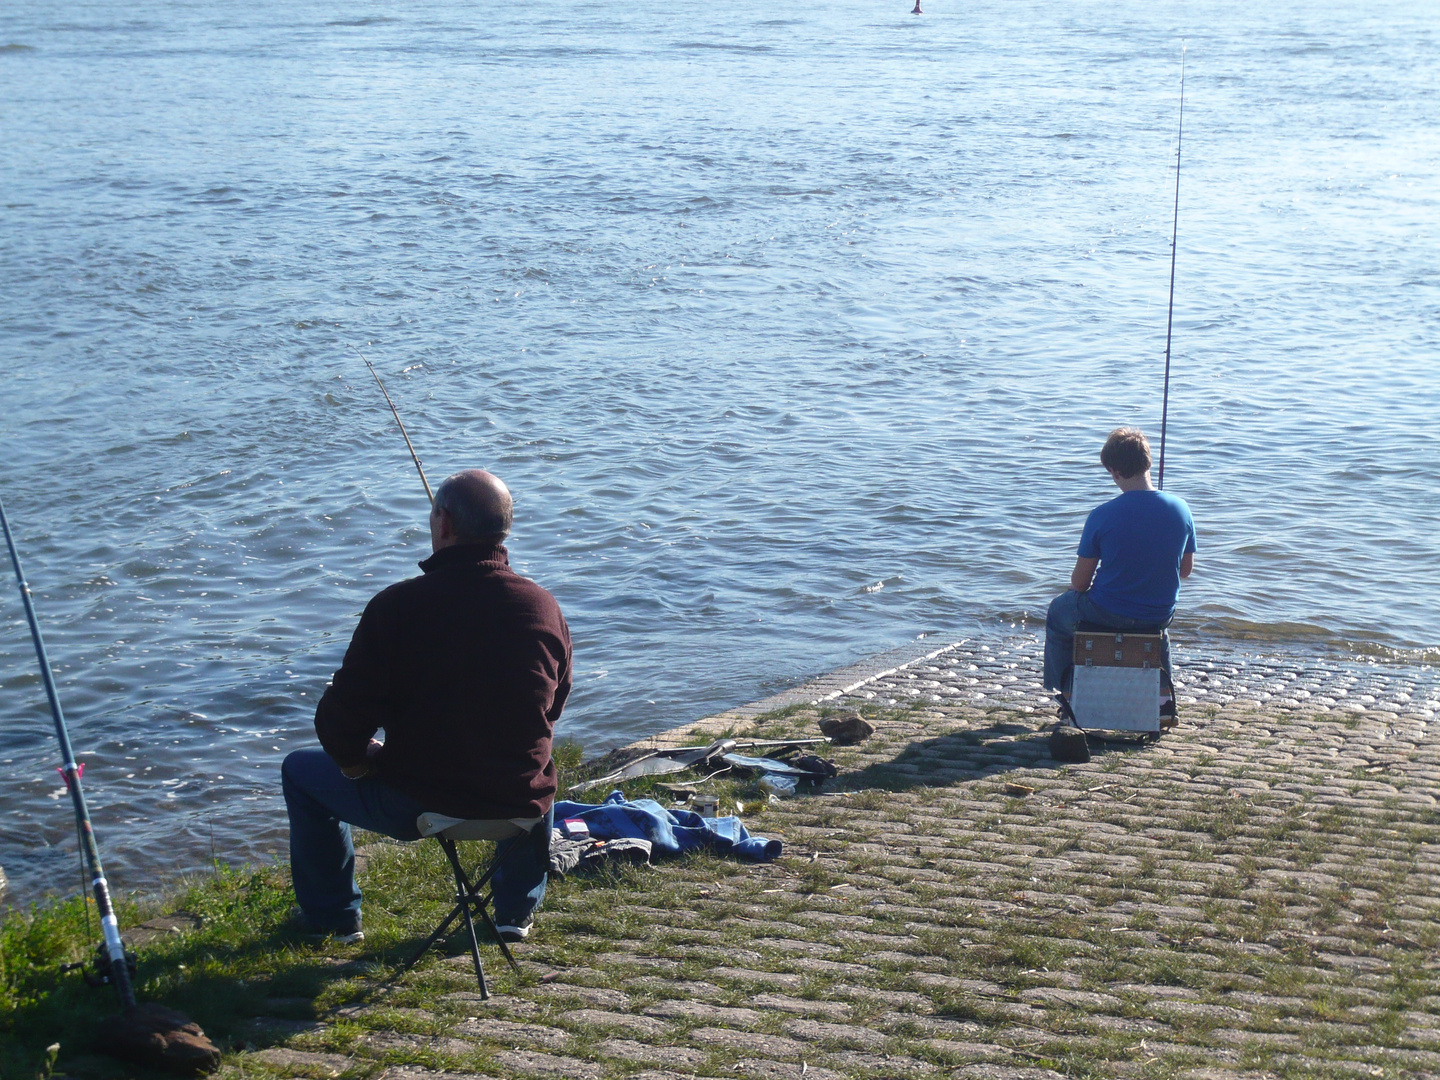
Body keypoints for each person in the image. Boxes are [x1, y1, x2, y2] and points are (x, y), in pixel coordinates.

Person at [282, 469, 572, 943]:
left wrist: (358, 763)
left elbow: (340, 721)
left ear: (443, 523)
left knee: (300, 772)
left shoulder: (396, 608)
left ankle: (334, 919)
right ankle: (514, 913)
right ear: (505, 529)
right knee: (539, 762)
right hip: (518, 804)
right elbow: (554, 705)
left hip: (420, 803)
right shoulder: (544, 607)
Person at [1043, 428, 1195, 695]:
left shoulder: (1102, 515)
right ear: (1148, 462)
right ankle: (1163, 697)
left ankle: (1065, 693)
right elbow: (1185, 571)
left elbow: (1079, 583)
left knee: (1058, 612)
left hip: (1108, 612)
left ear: (1113, 471)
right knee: (1158, 629)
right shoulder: (1182, 509)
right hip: (1159, 613)